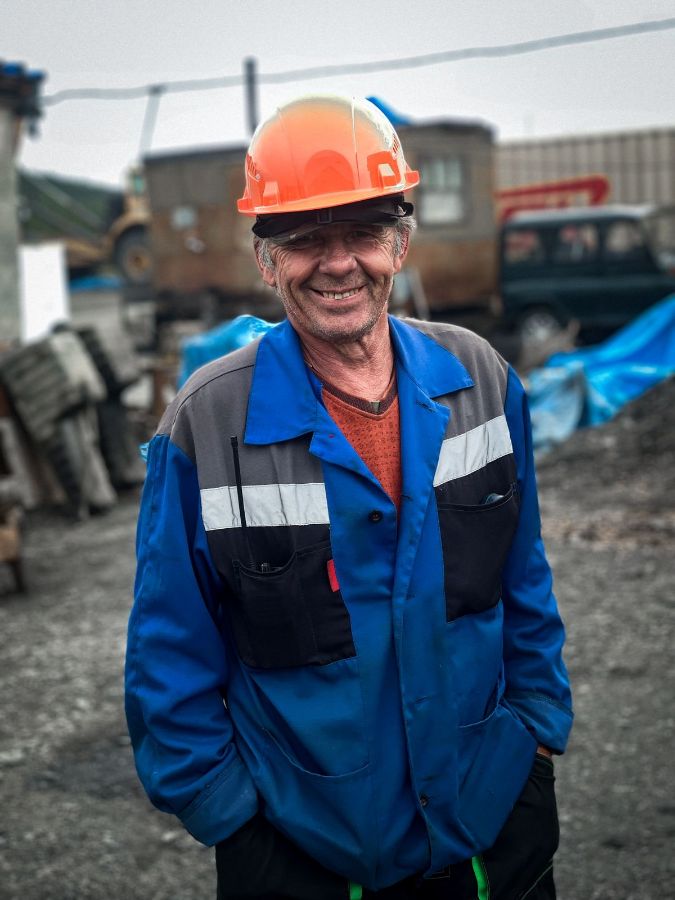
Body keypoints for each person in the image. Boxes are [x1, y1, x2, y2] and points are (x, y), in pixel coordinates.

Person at [125, 94, 573, 900]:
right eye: (304, 239)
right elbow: (169, 649)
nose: (338, 263)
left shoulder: (479, 378)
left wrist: (536, 727)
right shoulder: (208, 423)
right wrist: (230, 817)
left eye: (363, 231)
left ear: (399, 242)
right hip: (307, 857)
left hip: (491, 831)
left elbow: (524, 575)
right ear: (266, 260)